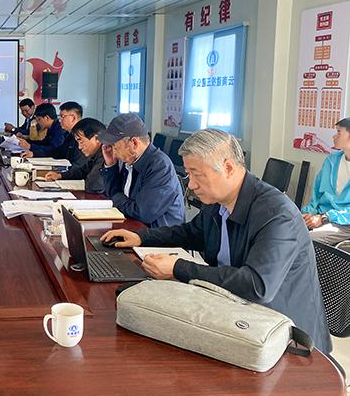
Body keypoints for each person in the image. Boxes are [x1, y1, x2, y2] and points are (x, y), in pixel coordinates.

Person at [101, 129, 332, 353]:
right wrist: (141, 237)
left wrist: (178, 268)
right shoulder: (219, 202)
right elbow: (192, 233)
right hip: (236, 316)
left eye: (196, 174)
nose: (191, 185)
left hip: (282, 337)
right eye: (188, 175)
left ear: (228, 167)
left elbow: (257, 286)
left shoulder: (276, 214)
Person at [99, 113, 185, 227]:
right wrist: (110, 165)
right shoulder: (130, 160)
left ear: (134, 143)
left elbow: (142, 212)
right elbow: (113, 194)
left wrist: (115, 197)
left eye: (115, 146)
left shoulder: (159, 166)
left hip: (156, 233)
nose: (113, 152)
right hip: (134, 226)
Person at [302, 117, 350, 246]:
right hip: (322, 215)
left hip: (345, 222)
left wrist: (325, 218)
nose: (334, 136)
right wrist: (309, 213)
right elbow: (317, 193)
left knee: (306, 239)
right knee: (289, 227)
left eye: (339, 132)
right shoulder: (331, 160)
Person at [44, 118, 106, 193]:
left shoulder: (106, 155)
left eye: (81, 141)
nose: (79, 147)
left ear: (97, 139)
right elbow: (82, 171)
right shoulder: (97, 154)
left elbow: (94, 186)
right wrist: (60, 176)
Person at [20, 102, 85, 168]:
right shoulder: (69, 135)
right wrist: (34, 153)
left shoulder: (82, 136)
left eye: (62, 116)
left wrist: (31, 147)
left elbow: (78, 166)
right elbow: (57, 152)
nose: (60, 120)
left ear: (73, 118)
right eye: (59, 117)